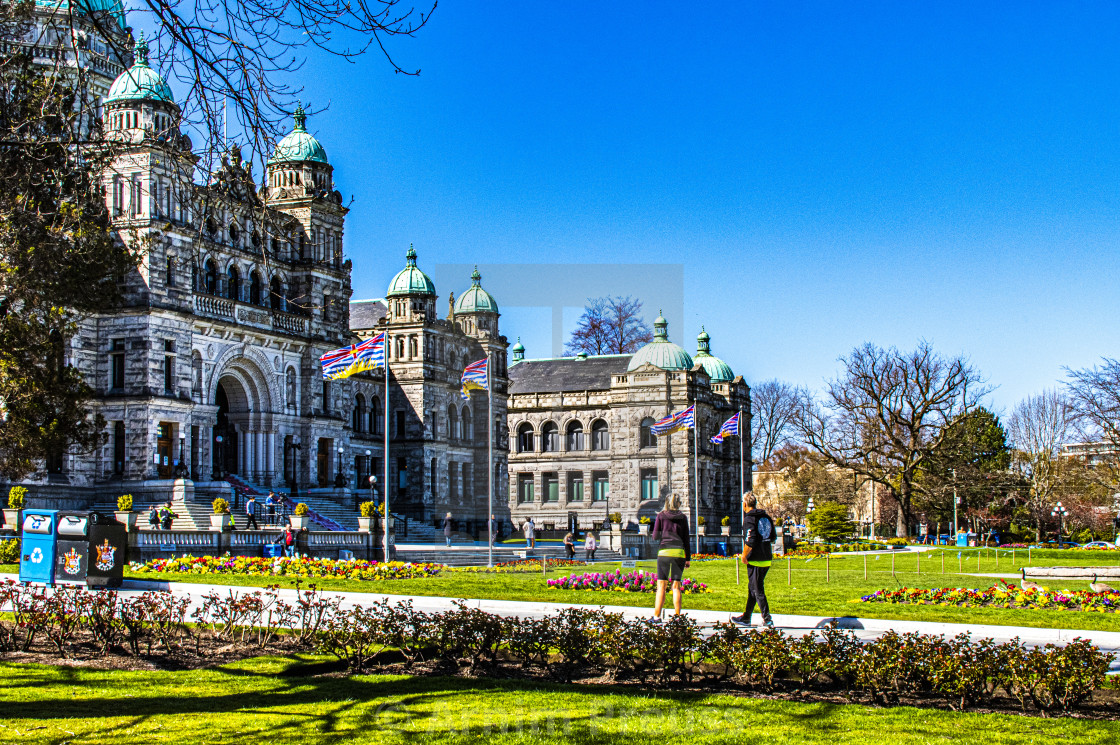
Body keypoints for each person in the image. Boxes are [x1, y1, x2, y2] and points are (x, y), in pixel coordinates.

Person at [732, 492, 775, 628]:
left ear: (745, 504)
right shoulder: (766, 517)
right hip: (766, 557)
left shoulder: (749, 519)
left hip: (755, 559)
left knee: (757, 590)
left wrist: (744, 555)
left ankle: (767, 619)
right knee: (753, 589)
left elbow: (750, 540)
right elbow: (773, 536)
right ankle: (746, 617)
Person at [651, 494, 691, 620]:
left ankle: (657, 617)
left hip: (664, 553)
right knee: (676, 586)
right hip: (679, 553)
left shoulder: (661, 516)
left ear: (666, 503)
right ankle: (678, 617)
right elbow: (686, 539)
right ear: (678, 503)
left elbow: (655, 537)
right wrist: (688, 558)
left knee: (661, 586)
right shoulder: (683, 518)